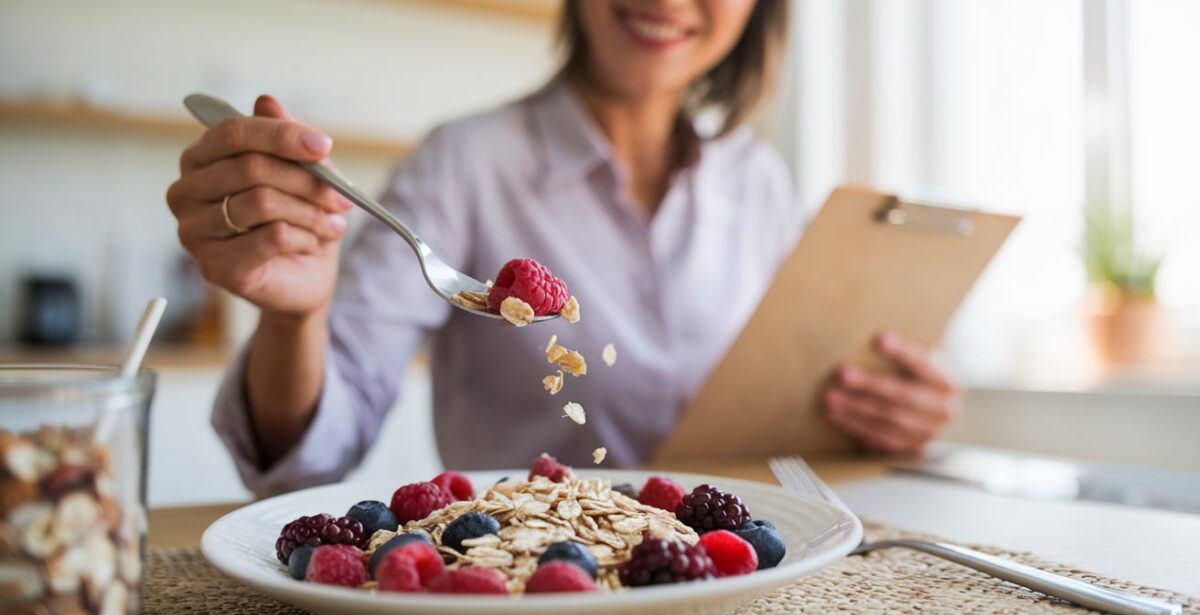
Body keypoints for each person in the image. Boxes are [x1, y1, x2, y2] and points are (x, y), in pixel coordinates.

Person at [167, 0, 960, 497]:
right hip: (525, 590)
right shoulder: (463, 164)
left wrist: (881, 410)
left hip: (731, 587)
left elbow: (783, 416)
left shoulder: (759, 183)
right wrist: (295, 320)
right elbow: (305, 460)